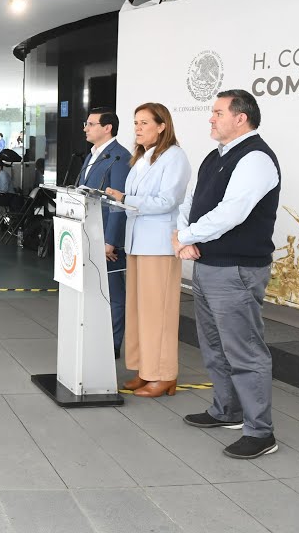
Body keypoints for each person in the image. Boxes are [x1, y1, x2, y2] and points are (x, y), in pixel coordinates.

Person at [173, 89, 282, 460]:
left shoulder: (255, 159)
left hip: (236, 269)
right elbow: (190, 202)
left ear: (241, 118)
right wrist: (184, 238)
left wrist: (185, 236)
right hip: (207, 264)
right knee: (214, 345)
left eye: (217, 112)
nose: (211, 118)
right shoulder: (214, 156)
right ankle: (227, 410)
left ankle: (260, 432)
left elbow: (232, 212)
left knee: (245, 351)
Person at [103, 103, 192, 398]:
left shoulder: (174, 157)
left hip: (159, 245)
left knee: (159, 312)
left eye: (144, 122)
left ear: (162, 125)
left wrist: (126, 198)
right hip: (137, 242)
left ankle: (164, 374)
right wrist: (117, 199)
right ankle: (145, 370)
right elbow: (134, 201)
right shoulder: (141, 159)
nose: (138, 128)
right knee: (139, 311)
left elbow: (167, 201)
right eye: (136, 122)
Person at [76, 107, 131, 358]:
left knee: (114, 291)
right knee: (94, 288)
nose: (86, 128)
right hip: (87, 231)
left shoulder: (119, 157)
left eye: (90, 124)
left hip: (106, 238)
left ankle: (113, 342)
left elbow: (118, 204)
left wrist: (111, 240)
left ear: (107, 127)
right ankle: (95, 335)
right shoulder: (92, 155)